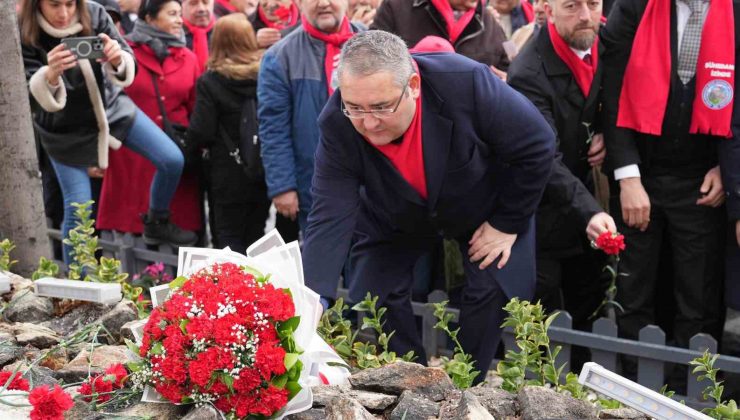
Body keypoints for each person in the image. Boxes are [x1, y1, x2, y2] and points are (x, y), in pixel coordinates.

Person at [302, 30, 555, 376]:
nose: (369, 123)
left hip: (481, 204)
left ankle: (467, 383)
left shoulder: (466, 83)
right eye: (355, 108)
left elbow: (538, 144)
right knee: (375, 291)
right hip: (395, 212)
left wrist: (506, 224)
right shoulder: (336, 123)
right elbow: (329, 211)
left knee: (489, 288)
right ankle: (411, 380)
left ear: (414, 86)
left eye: (381, 106)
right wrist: (312, 297)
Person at [601, 0, 737, 353]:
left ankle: (691, 392)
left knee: (698, 301)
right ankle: (631, 390)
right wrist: (627, 175)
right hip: (641, 175)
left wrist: (727, 168)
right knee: (634, 296)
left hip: (704, 180)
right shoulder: (634, 6)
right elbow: (613, 89)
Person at [20, 0, 196, 264]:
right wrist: (50, 75)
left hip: (111, 108)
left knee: (172, 159)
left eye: (70, 4)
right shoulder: (24, 29)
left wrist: (117, 58)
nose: (64, 13)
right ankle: (77, 291)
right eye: (55, 5)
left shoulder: (94, 12)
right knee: (79, 210)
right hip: (62, 128)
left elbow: (127, 60)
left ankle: (157, 219)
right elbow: (26, 95)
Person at [507, 0, 614, 356]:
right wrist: (591, 212)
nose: (585, 15)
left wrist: (602, 131)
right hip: (542, 208)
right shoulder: (528, 72)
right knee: (544, 317)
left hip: (582, 199)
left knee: (590, 301)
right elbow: (544, 158)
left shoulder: (605, 42)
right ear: (547, 9)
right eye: (571, 6)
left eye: (593, 4)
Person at [96, 0, 203, 241]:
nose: (179, 20)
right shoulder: (123, 53)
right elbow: (104, 102)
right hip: (130, 154)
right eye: (172, 14)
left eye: (179, 14)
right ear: (150, 18)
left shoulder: (188, 57)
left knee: (176, 235)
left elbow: (195, 106)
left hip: (175, 152)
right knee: (128, 236)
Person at [258, 0, 363, 234]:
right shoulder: (280, 57)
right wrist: (282, 186)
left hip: (372, 184)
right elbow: (273, 128)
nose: (323, 3)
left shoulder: (373, 43)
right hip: (316, 186)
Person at [188, 13, 271, 252]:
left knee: (227, 238)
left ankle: (231, 289)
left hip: (226, 172)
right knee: (256, 235)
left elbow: (202, 130)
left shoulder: (211, 81)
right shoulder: (265, 75)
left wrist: (185, 154)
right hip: (261, 169)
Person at [371, 0, 510, 72]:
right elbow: (371, 58)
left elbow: (508, 66)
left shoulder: (490, 21)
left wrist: (506, 81)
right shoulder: (396, 8)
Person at [182, 0, 214, 70]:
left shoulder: (225, 34)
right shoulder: (173, 36)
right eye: (193, 3)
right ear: (182, 7)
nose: (201, 9)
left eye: (205, 2)